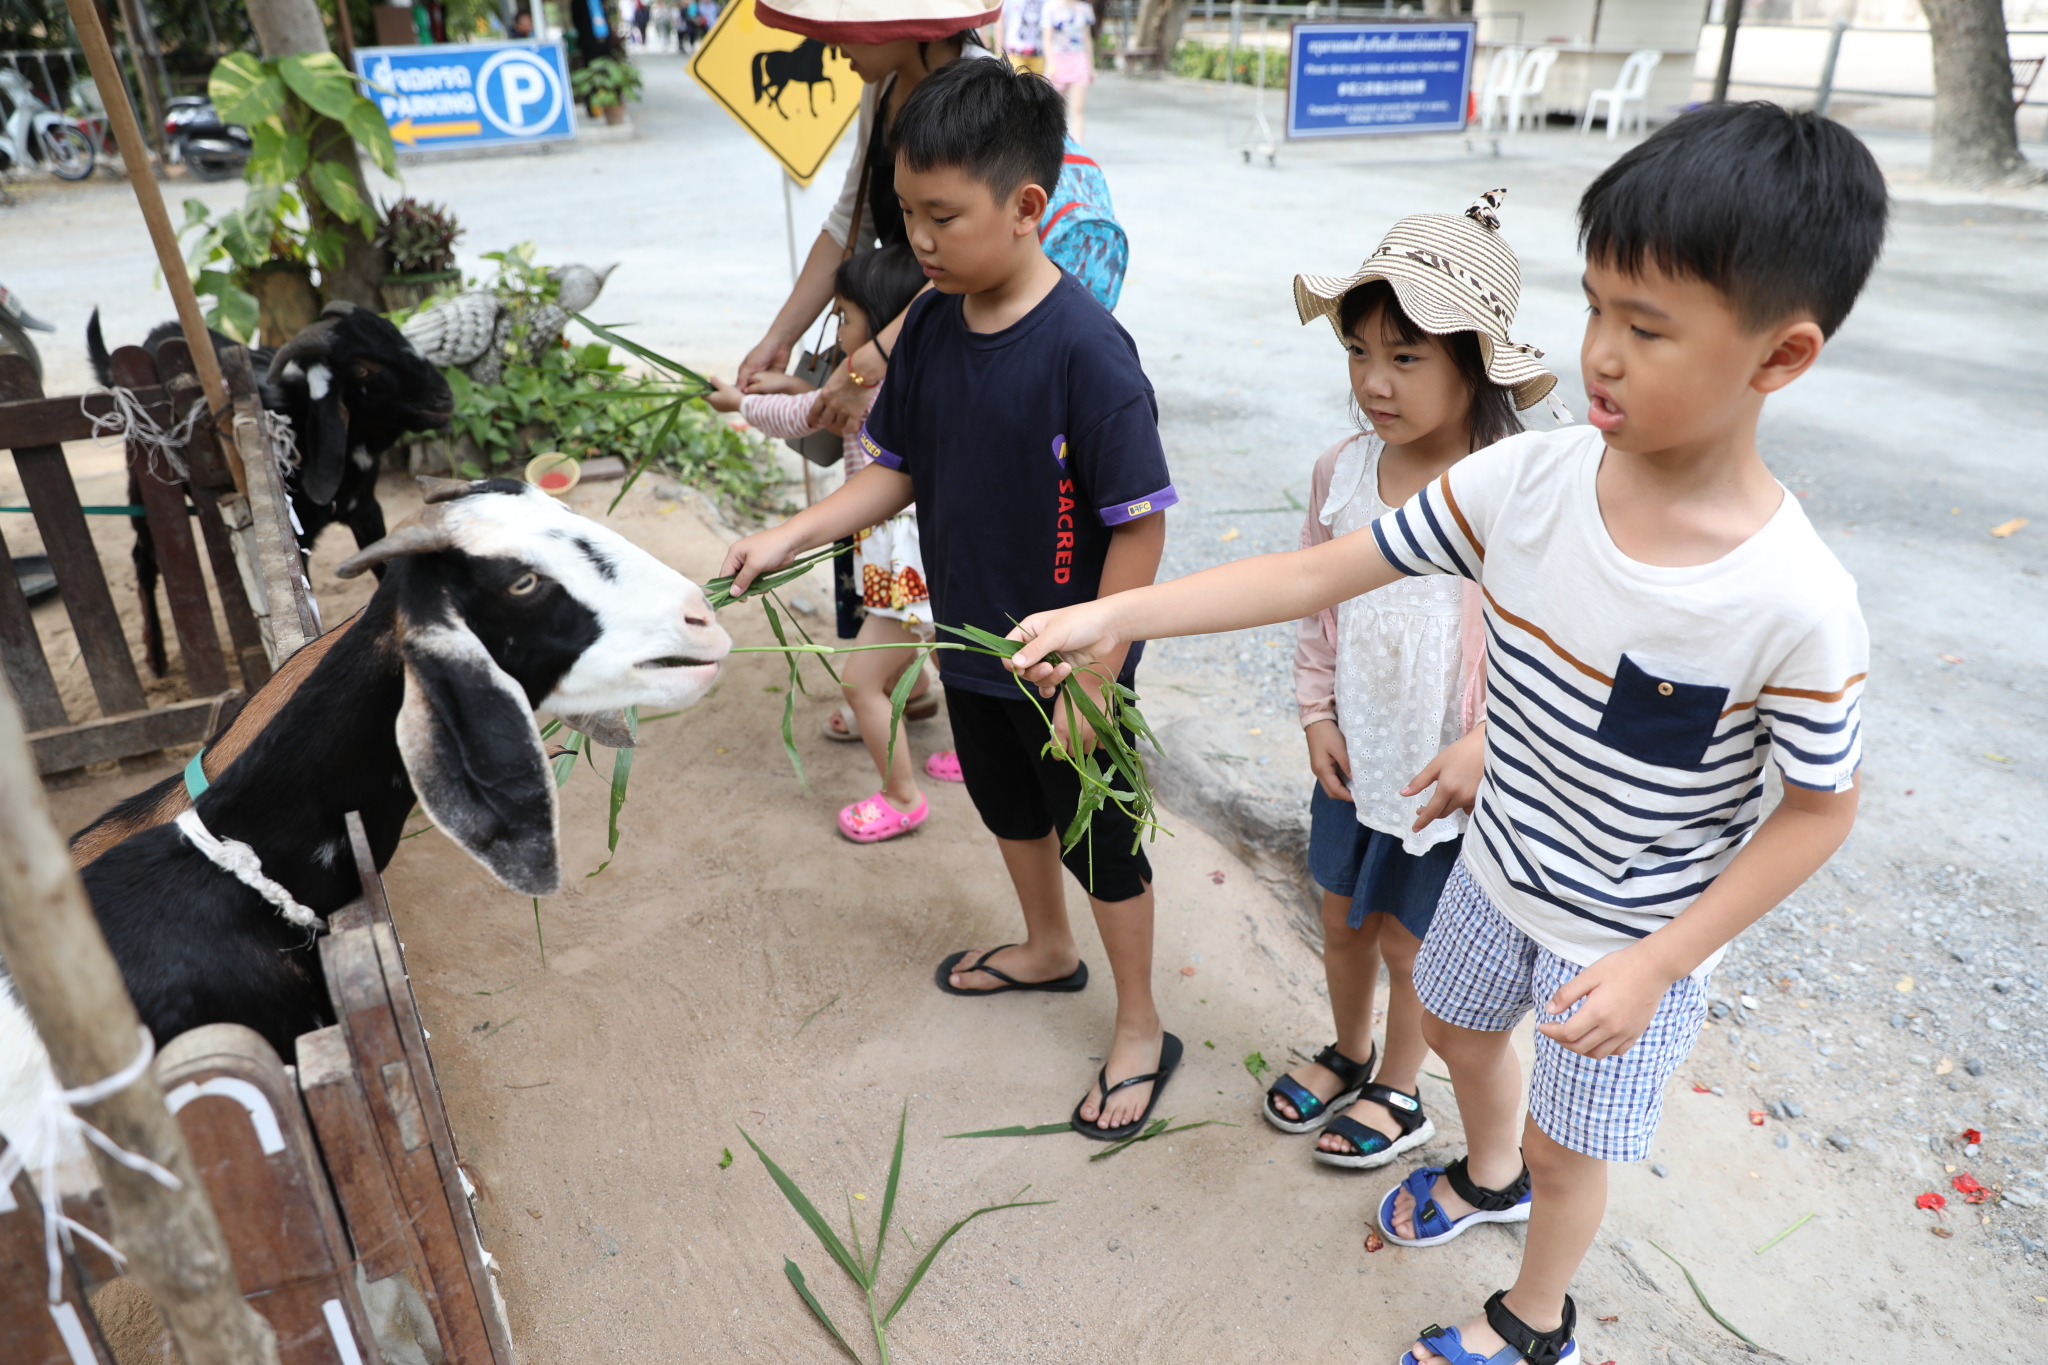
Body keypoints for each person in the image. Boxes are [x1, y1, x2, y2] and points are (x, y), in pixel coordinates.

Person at [1006, 101, 1882, 1364]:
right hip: (1493, 870)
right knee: (1462, 1027)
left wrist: (1654, 964)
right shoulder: (1526, 484)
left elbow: (1818, 811)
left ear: (1778, 356)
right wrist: (1116, 612)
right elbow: (1315, 576)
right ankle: (1482, 1170)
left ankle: (1535, 1318)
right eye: (1593, 309)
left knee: (1566, 1151)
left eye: (1646, 326)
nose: (1602, 355)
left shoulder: (1792, 602)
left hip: (1624, 944)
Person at [720, 59, 1181, 1141]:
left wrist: (1095, 671)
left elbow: (1139, 523)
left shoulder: (1087, 354)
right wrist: (789, 534)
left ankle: (1141, 1025)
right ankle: (1044, 947)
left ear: (1027, 209)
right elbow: (897, 468)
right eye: (907, 215)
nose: (918, 244)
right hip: (967, 634)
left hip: (1072, 656)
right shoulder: (929, 328)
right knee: (1006, 806)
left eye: (941, 218)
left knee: (1097, 839)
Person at [1266, 194, 1556, 1180]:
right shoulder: (1341, 472)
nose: (1372, 382)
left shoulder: (1507, 489)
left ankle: (1397, 1083)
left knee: (1411, 949)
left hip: (1450, 774)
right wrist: (1313, 712)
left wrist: (1488, 745)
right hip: (1357, 753)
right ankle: (1347, 1047)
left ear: (1473, 365)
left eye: (1404, 357)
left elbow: (1546, 642)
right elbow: (1317, 609)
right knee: (1341, 922)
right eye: (1358, 353)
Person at [706, 245, 962, 841]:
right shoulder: (918, 379)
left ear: (885, 322)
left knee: (861, 681)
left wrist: (740, 402)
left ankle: (901, 797)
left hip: (901, 561)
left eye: (844, 316)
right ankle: (964, 745)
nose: (838, 328)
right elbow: (818, 402)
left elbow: (802, 416)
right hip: (933, 552)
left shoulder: (872, 390)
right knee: (953, 649)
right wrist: (796, 385)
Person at [737, 0, 999, 437]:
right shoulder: (879, 89)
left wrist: (870, 363)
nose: (831, 42)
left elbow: (976, 261)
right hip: (901, 346)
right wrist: (778, 339)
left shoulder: (986, 96)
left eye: (848, 22)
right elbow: (849, 225)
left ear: (904, 22)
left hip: (967, 348)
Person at [1040, 0, 1094, 137]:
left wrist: (1091, 67)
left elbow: (1087, 39)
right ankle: (1060, 148)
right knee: (1058, 110)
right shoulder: (1050, 8)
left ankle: (1079, 150)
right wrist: (1051, 64)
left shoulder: (1085, 9)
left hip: (1079, 60)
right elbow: (1046, 39)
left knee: (1078, 108)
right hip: (1057, 61)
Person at [1002, 0, 1045, 74]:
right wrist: (999, 51)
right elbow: (1001, 21)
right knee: (1018, 82)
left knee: (1038, 83)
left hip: (1039, 52)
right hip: (1015, 51)